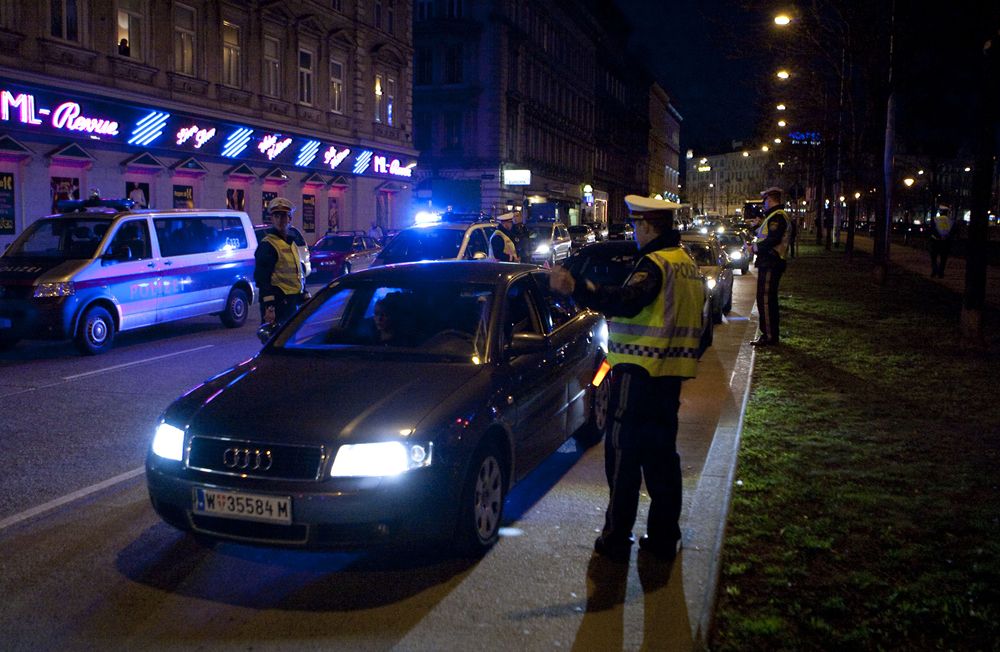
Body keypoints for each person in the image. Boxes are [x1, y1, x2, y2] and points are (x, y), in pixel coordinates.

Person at [550, 195, 705, 563]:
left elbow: (625, 300)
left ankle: (617, 538)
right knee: (661, 458)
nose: (635, 231)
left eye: (637, 225)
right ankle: (665, 536)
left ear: (649, 225)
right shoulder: (686, 264)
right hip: (669, 377)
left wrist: (578, 287)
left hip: (637, 376)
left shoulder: (654, 265)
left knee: (622, 457)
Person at [254, 197, 308, 327]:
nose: (280, 220)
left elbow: (297, 272)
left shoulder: (291, 243)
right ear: (272, 219)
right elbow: (262, 279)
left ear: (290, 219)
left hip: (292, 302)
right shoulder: (268, 245)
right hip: (278, 304)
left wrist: (304, 293)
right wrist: (269, 306)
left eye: (283, 216)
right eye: (276, 216)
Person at [752, 186, 791, 346]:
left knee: (766, 300)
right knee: (767, 299)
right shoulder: (773, 216)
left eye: (765, 200)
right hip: (769, 261)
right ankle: (769, 334)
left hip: (771, 262)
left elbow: (772, 240)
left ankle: (769, 336)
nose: (764, 204)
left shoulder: (778, 216)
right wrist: (756, 228)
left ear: (770, 199)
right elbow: (766, 236)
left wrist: (754, 248)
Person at [928, 206, 955, 278]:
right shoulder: (950, 221)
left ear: (940, 212)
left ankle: (934, 271)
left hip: (935, 241)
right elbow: (953, 232)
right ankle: (941, 273)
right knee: (943, 258)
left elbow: (931, 230)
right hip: (945, 242)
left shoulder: (935, 220)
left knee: (934, 258)